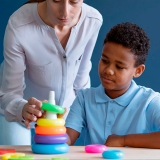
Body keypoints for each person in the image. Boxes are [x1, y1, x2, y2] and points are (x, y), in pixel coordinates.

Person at [0, 0, 102, 145]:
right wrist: (23, 109)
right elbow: (10, 93)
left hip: (61, 116)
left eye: (74, 2)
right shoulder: (19, 25)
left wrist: (85, 115)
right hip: (18, 113)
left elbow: (82, 76)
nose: (65, 12)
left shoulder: (93, 20)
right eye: (56, 0)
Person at [65, 22, 160, 148]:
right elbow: (66, 140)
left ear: (138, 71)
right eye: (105, 60)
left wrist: (123, 140)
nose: (108, 70)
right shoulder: (84, 98)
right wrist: (49, 125)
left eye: (119, 67)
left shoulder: (150, 101)